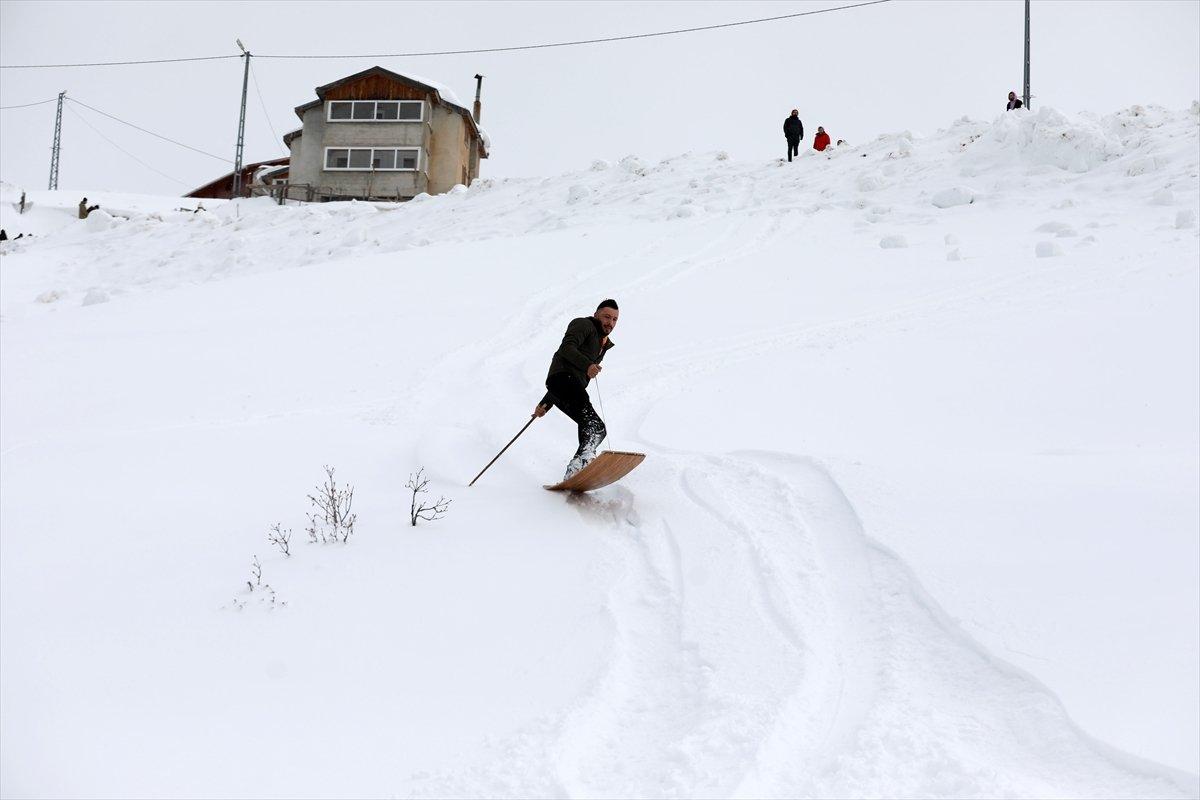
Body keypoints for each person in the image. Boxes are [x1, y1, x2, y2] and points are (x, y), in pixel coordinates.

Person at [533, 300, 619, 480]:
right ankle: (583, 462)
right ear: (596, 314)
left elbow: (571, 378)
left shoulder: (603, 344)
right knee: (595, 427)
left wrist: (546, 403)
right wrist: (588, 365)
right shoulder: (584, 324)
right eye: (606, 317)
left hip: (567, 385)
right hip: (564, 380)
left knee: (594, 427)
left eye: (614, 319)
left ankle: (576, 469)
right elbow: (566, 348)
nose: (610, 322)